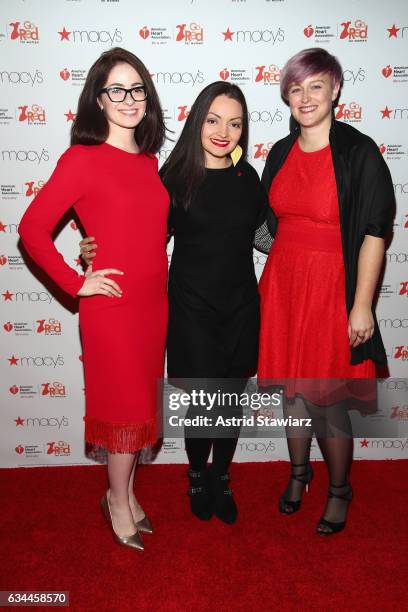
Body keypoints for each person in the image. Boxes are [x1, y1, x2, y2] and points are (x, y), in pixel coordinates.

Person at [81, 82, 266, 524]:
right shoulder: (172, 179)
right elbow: (142, 236)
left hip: (241, 305)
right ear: (198, 120)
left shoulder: (248, 177)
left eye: (235, 123)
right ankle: (197, 475)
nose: (224, 131)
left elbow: (262, 237)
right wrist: (95, 249)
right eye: (214, 120)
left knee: (231, 400)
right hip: (191, 308)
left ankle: (221, 475)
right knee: (203, 400)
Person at [18, 47, 169, 551]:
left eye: (137, 89)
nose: (128, 99)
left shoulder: (149, 161)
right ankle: (117, 500)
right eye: (116, 90)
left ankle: (124, 493)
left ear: (147, 97)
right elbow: (32, 228)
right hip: (112, 309)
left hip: (153, 307)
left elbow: (135, 228)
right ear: (98, 100)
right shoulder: (81, 158)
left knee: (140, 409)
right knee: (124, 413)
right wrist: (75, 279)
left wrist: (91, 245)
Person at [255, 48, 395, 535]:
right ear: (286, 97)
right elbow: (264, 224)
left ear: (335, 89)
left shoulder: (359, 152)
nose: (306, 97)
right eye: (296, 89)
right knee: (294, 394)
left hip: (333, 288)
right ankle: (299, 474)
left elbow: (375, 232)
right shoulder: (279, 151)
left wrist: (362, 306)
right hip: (284, 285)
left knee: (326, 398)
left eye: (316, 86)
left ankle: (340, 489)